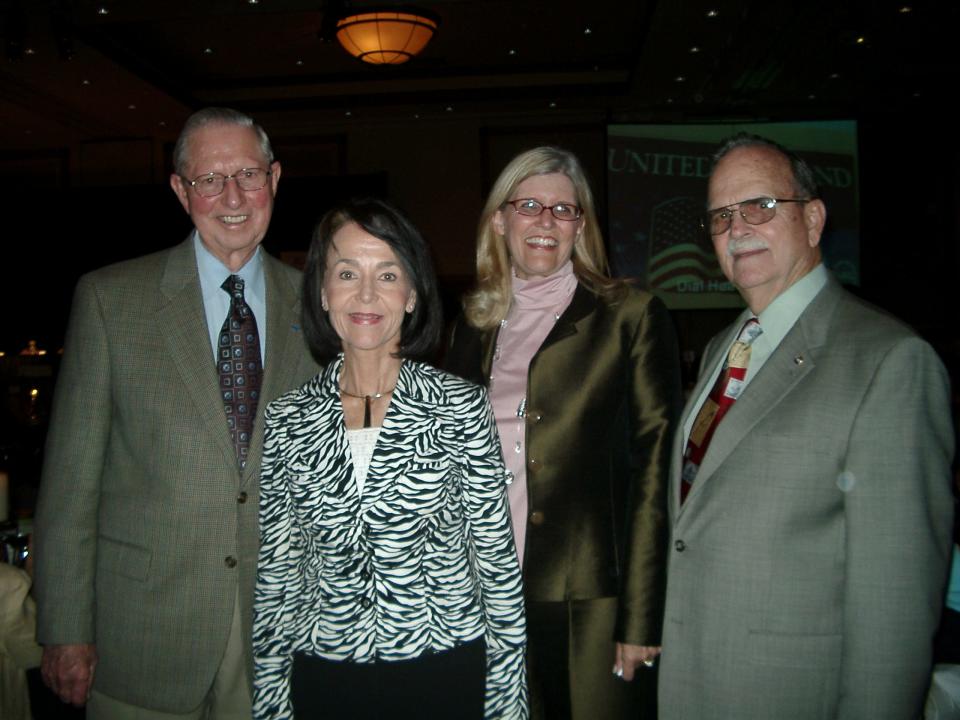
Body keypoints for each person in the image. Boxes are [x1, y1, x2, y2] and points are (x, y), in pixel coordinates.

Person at [32, 107, 319, 719]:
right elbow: (69, 483)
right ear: (179, 190)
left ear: (275, 178)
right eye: (209, 179)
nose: (233, 196)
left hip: (278, 633)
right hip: (143, 632)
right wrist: (63, 628)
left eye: (248, 174)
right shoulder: (112, 299)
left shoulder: (320, 307)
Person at [658, 133, 955, 719]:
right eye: (720, 216)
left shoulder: (888, 361)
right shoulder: (726, 345)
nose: (736, 228)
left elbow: (894, 607)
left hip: (792, 694)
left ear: (814, 220)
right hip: (697, 680)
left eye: (760, 207)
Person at [252, 198, 527, 720]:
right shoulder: (288, 420)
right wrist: (271, 706)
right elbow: (276, 578)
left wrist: (507, 708)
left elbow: (496, 570)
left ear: (412, 294)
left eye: (388, 274)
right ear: (322, 291)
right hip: (326, 675)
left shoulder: (461, 408)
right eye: (347, 272)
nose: (366, 294)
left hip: (441, 672)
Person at [445, 146, 681, 719]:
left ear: (582, 226)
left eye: (564, 209)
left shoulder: (630, 315)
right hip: (479, 595)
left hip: (590, 600)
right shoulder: (470, 324)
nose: (546, 221)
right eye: (529, 205)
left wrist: (642, 614)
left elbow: (657, 470)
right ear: (499, 220)